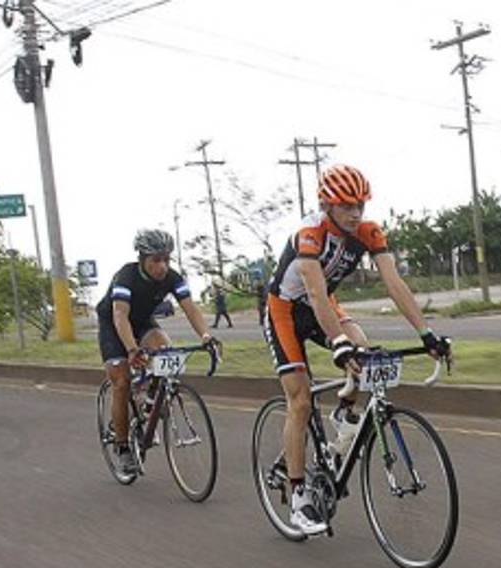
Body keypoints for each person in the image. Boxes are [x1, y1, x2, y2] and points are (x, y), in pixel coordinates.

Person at [263, 164, 451, 535]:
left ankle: (343, 411)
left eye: (360, 205)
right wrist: (337, 343)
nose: (355, 213)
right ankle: (298, 496)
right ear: (327, 204)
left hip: (324, 307)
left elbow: (394, 283)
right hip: (285, 311)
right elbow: (315, 293)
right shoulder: (310, 233)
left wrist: (427, 333)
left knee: (367, 354)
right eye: (346, 206)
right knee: (300, 401)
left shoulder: (368, 231)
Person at [96, 229, 220, 478]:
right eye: (156, 260)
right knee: (121, 382)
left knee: (166, 351)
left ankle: (152, 400)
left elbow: (190, 308)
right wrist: (131, 349)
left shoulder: (171, 277)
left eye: (166, 259)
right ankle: (122, 447)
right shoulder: (126, 276)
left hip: (142, 321)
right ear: (142, 258)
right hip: (114, 324)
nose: (162, 266)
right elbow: (120, 316)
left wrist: (206, 336)